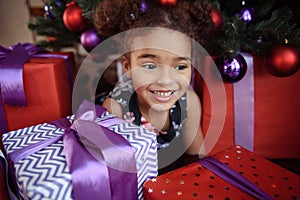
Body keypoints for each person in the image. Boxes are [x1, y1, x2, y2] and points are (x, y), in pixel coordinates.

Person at [93, 0, 215, 174]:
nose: (165, 80)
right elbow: (115, 175)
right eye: (150, 66)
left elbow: (197, 159)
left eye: (180, 67)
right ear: (127, 67)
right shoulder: (116, 110)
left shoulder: (190, 102)